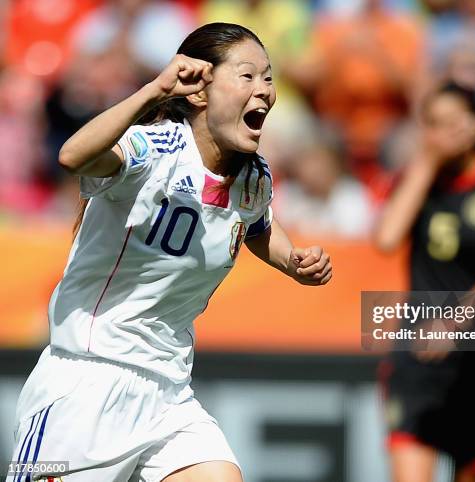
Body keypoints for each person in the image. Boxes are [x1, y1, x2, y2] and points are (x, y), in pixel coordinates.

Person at [7, 22, 332, 482]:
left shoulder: (253, 177)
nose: (265, 90)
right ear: (200, 92)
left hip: (169, 393)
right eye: (247, 76)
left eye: (268, 76)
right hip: (84, 386)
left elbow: (255, 223)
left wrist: (292, 260)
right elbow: (73, 157)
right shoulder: (153, 150)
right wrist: (152, 90)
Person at [375, 83, 475, 482]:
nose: (442, 134)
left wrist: (452, 323)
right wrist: (426, 163)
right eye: (433, 125)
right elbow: (386, 238)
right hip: (419, 354)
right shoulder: (416, 181)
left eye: (452, 123)